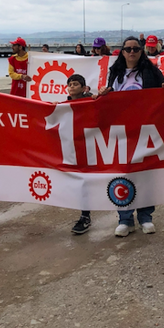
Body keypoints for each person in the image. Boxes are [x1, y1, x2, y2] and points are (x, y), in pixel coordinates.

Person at [96, 37, 164, 237]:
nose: (132, 52)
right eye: (128, 49)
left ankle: (146, 217)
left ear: (141, 51)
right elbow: (110, 95)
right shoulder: (115, 72)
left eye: (136, 49)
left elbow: (163, 94)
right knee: (123, 172)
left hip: (146, 129)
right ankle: (125, 218)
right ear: (122, 52)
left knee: (146, 173)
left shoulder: (152, 70)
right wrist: (104, 93)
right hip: (121, 130)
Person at [67, 73, 95, 235]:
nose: (72, 87)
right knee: (80, 182)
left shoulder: (92, 101)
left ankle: (86, 215)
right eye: (70, 84)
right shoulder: (64, 105)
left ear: (84, 88)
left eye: (75, 84)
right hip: (74, 148)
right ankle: (85, 215)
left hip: (90, 146)